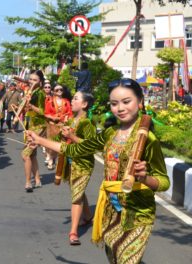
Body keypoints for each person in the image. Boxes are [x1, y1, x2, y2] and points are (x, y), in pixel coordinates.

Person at [26, 78, 170, 263]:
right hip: (111, 210)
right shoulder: (110, 134)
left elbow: (164, 181)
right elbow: (76, 149)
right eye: (114, 103)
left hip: (137, 213)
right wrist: (40, 140)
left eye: (127, 102)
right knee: (116, 258)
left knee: (127, 259)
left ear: (140, 102)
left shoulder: (148, 139)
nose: (120, 108)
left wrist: (145, 178)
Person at [60, 91, 96, 246]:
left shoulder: (86, 123)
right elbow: (61, 140)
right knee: (78, 191)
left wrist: (72, 137)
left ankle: (73, 232)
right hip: (70, 162)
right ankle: (88, 217)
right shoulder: (71, 120)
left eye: (75, 99)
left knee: (76, 195)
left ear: (84, 104)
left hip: (83, 164)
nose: (72, 101)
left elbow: (91, 146)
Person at [20, 70, 47, 192]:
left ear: (40, 82)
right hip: (30, 125)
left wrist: (31, 106)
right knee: (32, 155)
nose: (31, 81)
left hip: (39, 126)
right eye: (30, 79)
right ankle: (37, 180)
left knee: (25, 154)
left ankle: (27, 182)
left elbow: (43, 112)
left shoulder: (40, 93)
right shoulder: (30, 91)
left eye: (35, 80)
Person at [44, 84, 72, 170]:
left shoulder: (66, 102)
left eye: (61, 89)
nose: (59, 91)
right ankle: (51, 159)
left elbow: (70, 113)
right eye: (57, 90)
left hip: (62, 125)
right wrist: (53, 117)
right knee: (51, 144)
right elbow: (46, 113)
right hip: (52, 126)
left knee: (60, 145)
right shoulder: (50, 101)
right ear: (53, 92)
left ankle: (54, 159)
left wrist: (68, 119)